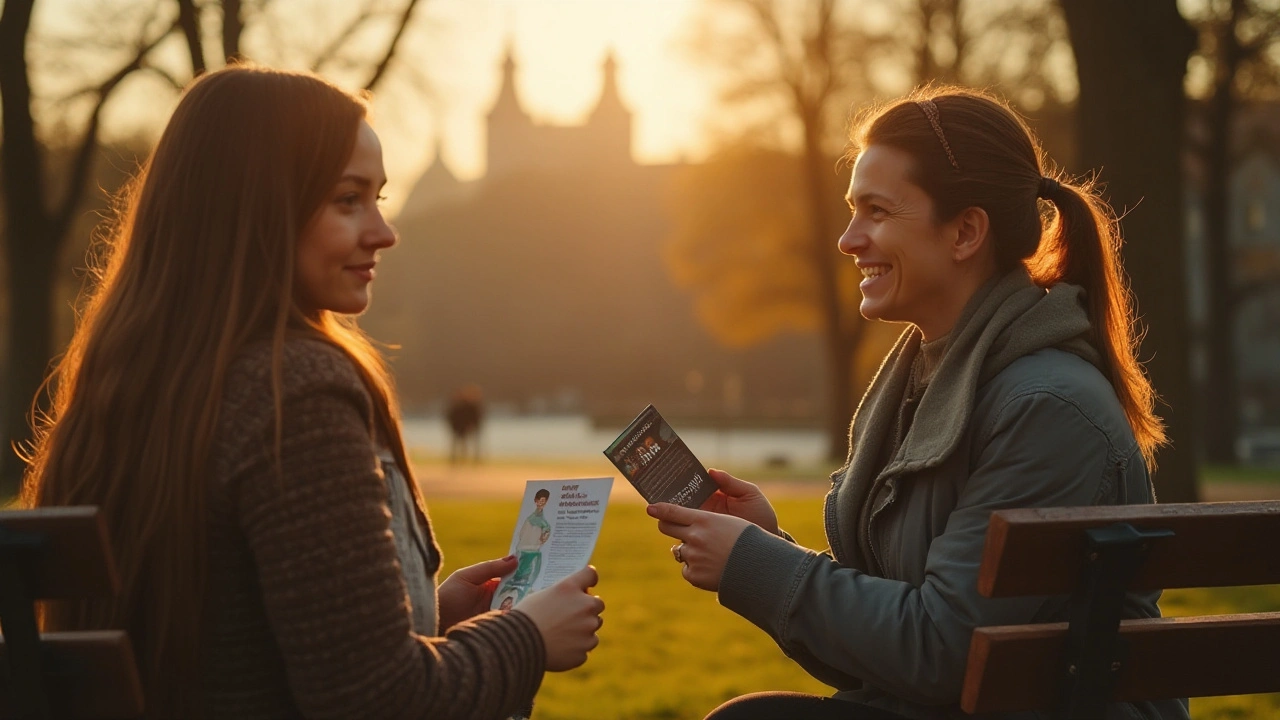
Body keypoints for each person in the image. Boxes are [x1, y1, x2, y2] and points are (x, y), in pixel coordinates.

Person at [20, 64, 604, 720]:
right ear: (259, 206)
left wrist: (424, 617)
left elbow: (228, 642)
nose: (383, 232)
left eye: (378, 198)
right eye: (347, 200)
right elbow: (381, 702)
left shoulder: (132, 383)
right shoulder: (293, 391)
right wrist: (526, 635)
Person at [647, 86, 1191, 720]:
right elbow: (894, 650)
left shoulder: (1045, 407)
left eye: (876, 212)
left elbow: (941, 653)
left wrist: (756, 565)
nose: (849, 239)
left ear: (964, 231)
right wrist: (770, 546)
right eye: (853, 211)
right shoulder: (934, 380)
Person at [498, 488, 554, 603]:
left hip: (532, 552)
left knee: (529, 581)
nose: (542, 503)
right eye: (540, 500)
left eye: (544, 501)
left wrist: (544, 536)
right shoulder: (530, 519)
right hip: (522, 551)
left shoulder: (544, 523)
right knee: (515, 579)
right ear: (536, 500)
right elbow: (522, 534)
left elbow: (544, 535)